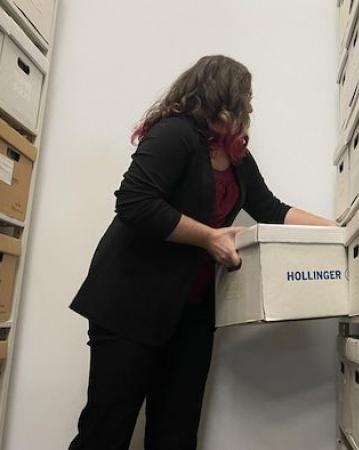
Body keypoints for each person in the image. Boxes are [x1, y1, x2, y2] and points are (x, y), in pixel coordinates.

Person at [68, 55, 334, 450]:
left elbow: (272, 209)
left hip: (188, 314)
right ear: (220, 95)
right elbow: (135, 203)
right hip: (130, 303)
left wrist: (342, 231)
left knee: (175, 437)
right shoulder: (174, 134)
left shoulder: (238, 158)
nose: (251, 107)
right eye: (245, 96)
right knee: (105, 432)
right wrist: (209, 238)